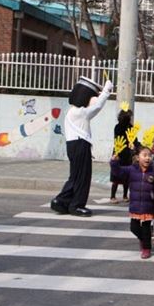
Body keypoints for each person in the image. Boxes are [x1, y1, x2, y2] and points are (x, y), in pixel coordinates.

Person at [50, 76, 112, 217]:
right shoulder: (79, 112)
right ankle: (76, 205)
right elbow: (97, 107)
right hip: (80, 144)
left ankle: (61, 201)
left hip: (74, 144)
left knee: (76, 176)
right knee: (83, 177)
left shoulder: (72, 111)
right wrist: (106, 91)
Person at [110, 146, 154, 259]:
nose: (147, 158)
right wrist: (114, 161)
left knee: (146, 228)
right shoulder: (131, 170)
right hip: (135, 205)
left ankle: (146, 249)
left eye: (149, 156)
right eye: (145, 155)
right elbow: (118, 172)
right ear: (138, 157)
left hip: (148, 205)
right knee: (134, 227)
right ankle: (144, 239)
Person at [110, 108, 134, 204]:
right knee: (116, 175)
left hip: (127, 153)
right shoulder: (118, 127)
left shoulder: (130, 127)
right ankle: (113, 196)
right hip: (118, 151)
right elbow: (118, 139)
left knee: (126, 176)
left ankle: (124, 195)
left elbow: (133, 138)